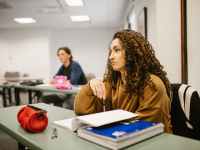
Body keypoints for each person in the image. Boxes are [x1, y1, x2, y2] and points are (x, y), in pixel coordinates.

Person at [74, 30, 172, 132]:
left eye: (117, 50)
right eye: (110, 51)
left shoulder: (152, 84)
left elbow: (143, 125)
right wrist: (90, 85)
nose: (111, 57)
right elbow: (81, 111)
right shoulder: (113, 82)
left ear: (132, 52)